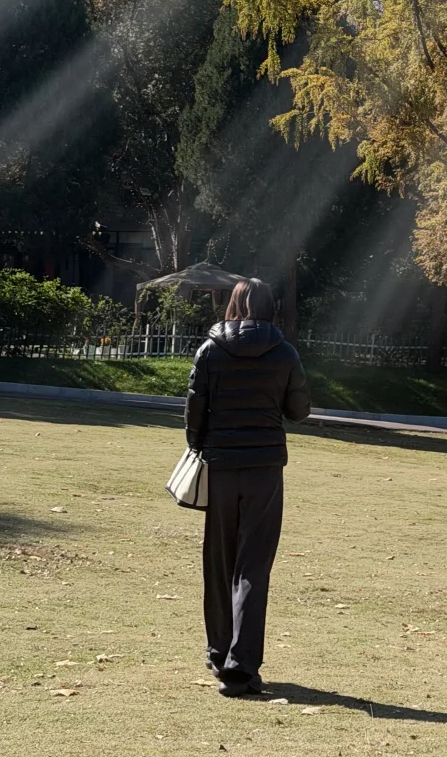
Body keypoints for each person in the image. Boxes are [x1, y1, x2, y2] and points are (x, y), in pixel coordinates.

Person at [184, 277, 311, 697]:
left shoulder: (209, 350)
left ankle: (219, 652)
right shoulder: (285, 353)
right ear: (271, 308)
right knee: (252, 567)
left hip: (221, 467)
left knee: (219, 561)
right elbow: (299, 411)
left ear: (233, 305)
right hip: (265, 469)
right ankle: (242, 667)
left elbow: (194, 409)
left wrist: (200, 445)